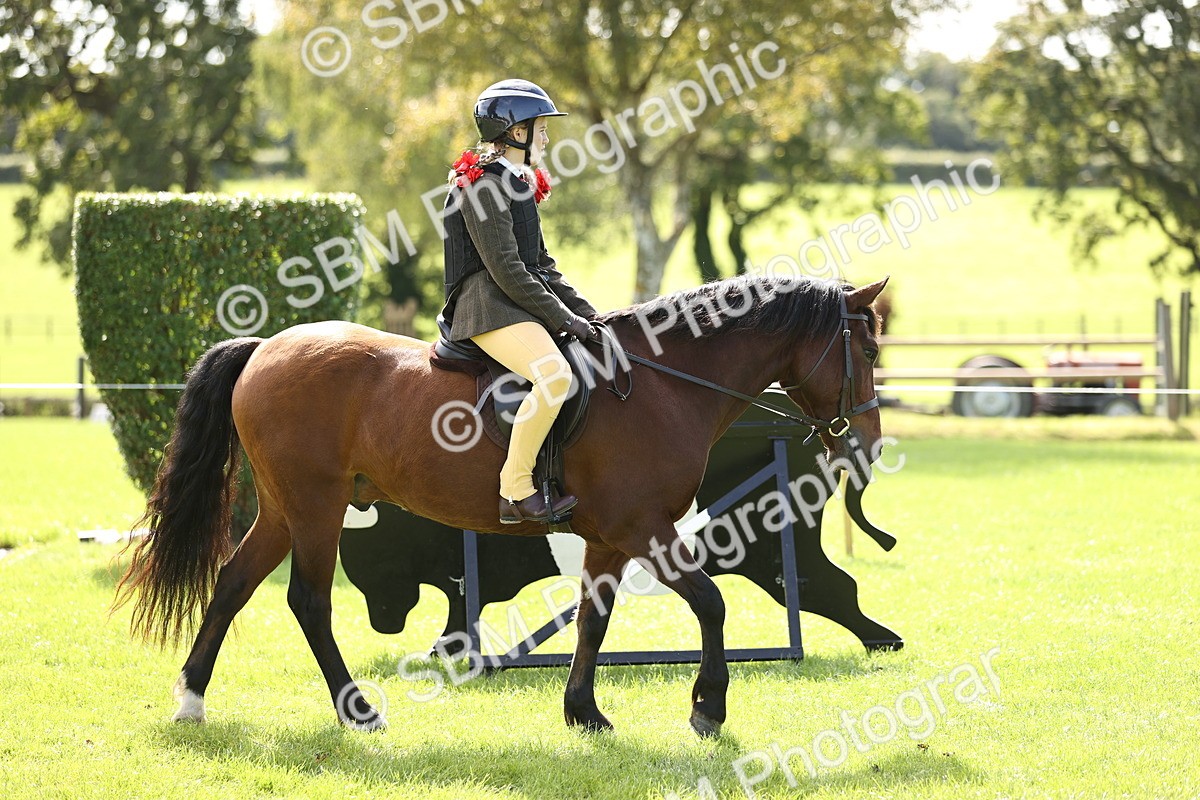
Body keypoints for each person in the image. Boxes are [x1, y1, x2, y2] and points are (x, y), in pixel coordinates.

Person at [440, 79, 598, 525]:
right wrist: (562, 317)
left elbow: (541, 264)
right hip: (487, 306)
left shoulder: (516, 182)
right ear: (514, 132)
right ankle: (515, 489)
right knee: (553, 376)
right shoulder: (483, 187)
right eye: (540, 129)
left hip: (515, 302)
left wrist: (587, 314)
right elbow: (507, 270)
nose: (546, 138)